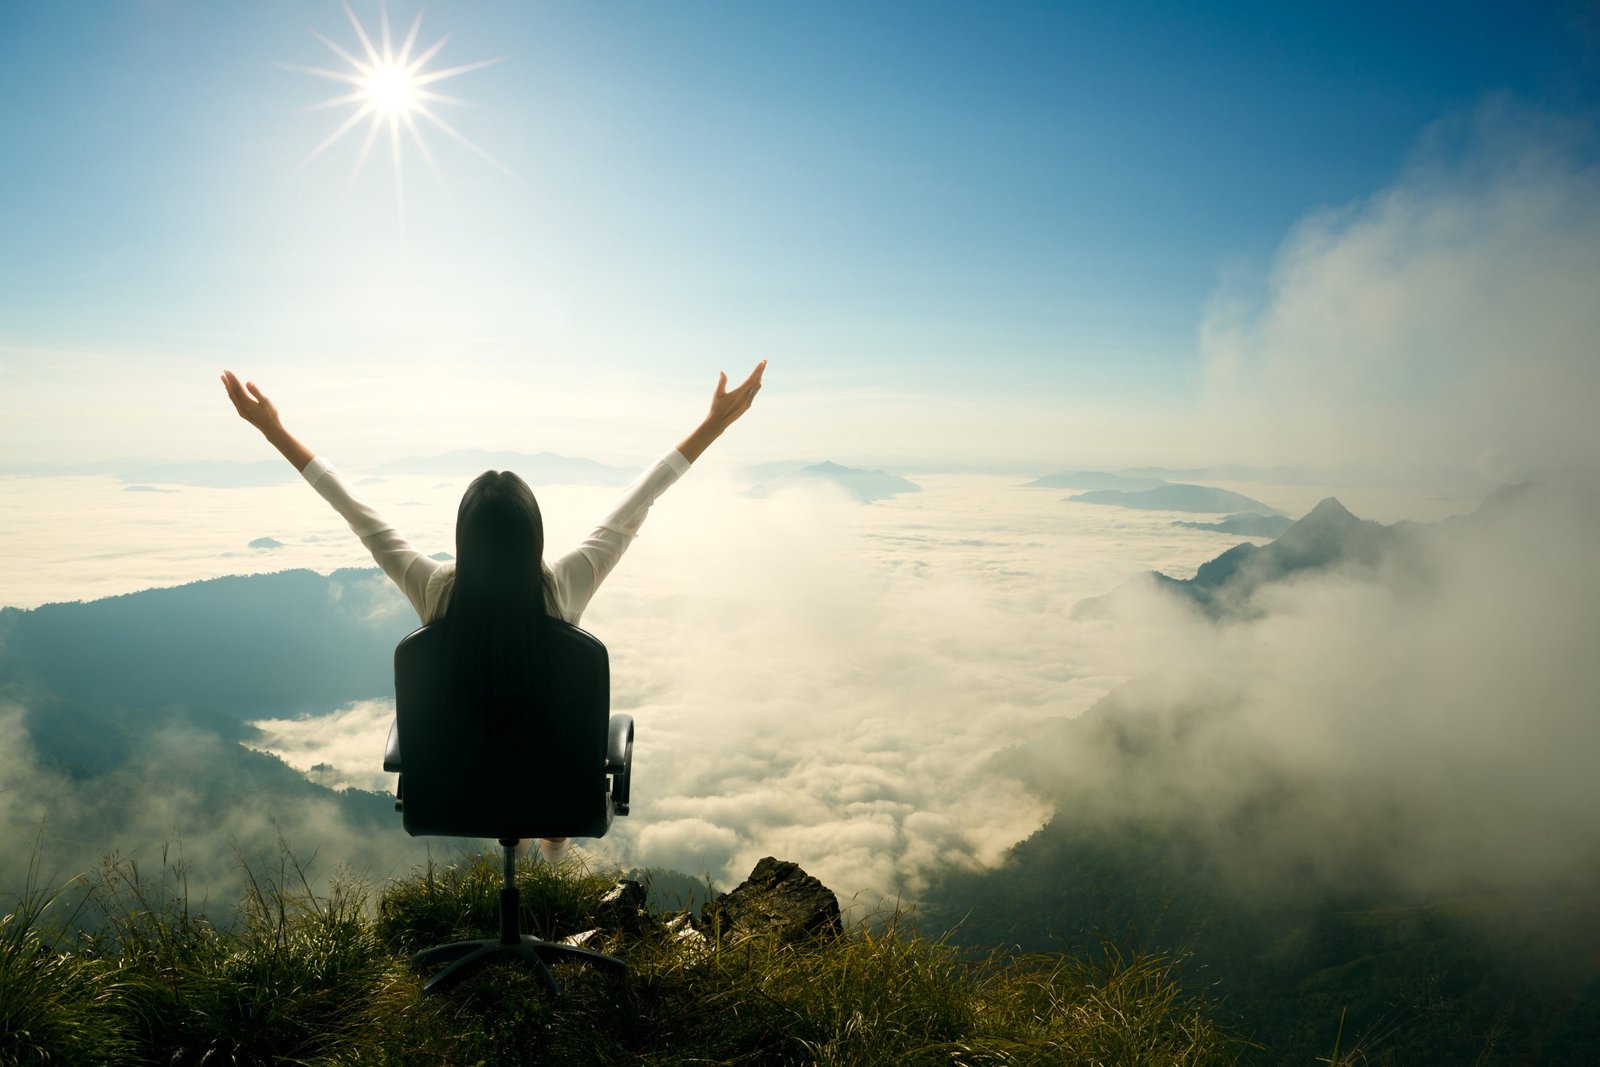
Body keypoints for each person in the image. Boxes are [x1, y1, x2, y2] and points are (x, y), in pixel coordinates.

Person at [221, 361, 766, 863]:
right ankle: (548, 831)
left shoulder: (435, 589)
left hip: (456, 796)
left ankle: (533, 828)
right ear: (534, 536)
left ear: (464, 537)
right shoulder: (563, 587)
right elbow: (638, 501)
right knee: (580, 722)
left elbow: (356, 512)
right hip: (554, 792)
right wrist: (715, 423)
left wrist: (271, 429)